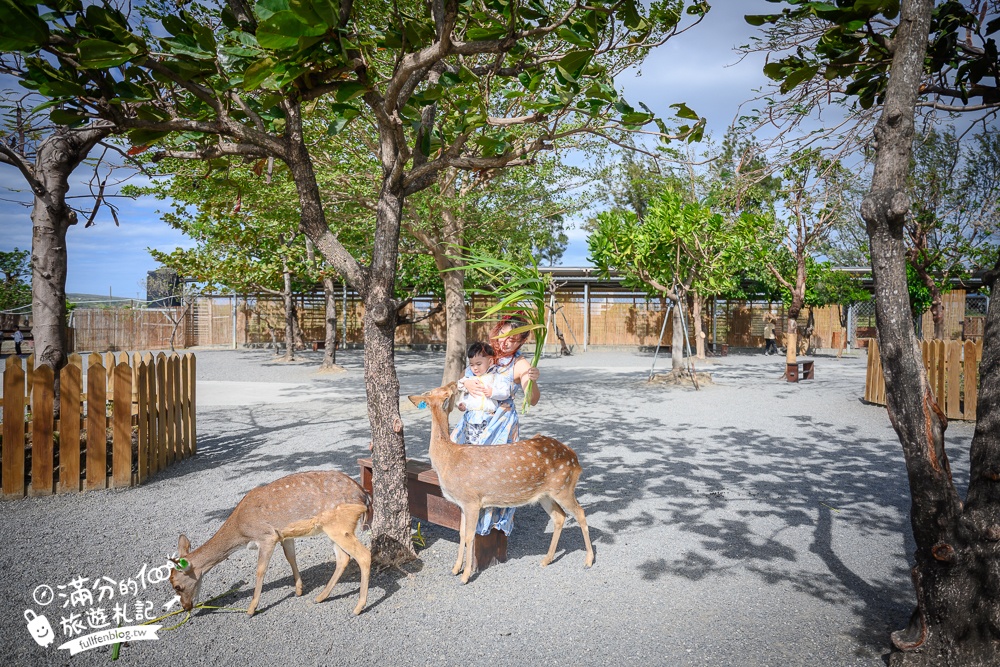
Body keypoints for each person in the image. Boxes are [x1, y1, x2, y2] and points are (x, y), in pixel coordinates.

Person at [453, 315, 541, 536]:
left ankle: (490, 528)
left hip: (499, 425)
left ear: (520, 342)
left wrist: (532, 380)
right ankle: (466, 521)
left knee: (494, 474)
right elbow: (465, 381)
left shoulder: (520, 364)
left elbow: (532, 399)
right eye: (503, 334)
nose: (505, 342)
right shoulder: (485, 351)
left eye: (513, 339)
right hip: (473, 423)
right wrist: (466, 382)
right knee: (466, 471)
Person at [451, 341, 513, 445]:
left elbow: (505, 392)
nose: (475, 368)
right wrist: (463, 404)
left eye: (478, 364)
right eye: (471, 364)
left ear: (490, 362)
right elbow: (463, 389)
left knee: (487, 445)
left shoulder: (495, 377)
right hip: (471, 418)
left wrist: (493, 392)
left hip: (489, 418)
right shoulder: (471, 378)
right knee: (470, 444)